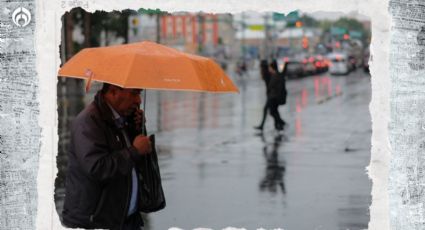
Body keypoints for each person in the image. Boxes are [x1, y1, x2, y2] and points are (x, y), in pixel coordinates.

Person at [62, 83, 152, 230]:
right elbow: (98, 168)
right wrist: (134, 150)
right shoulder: (87, 122)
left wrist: (135, 129)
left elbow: (130, 162)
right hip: (95, 223)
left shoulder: (121, 118)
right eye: (134, 93)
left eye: (139, 94)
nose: (139, 101)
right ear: (113, 92)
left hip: (125, 220)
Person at [267, 60, 287, 131]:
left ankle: (281, 123)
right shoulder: (275, 75)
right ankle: (278, 125)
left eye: (269, 67)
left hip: (274, 97)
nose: (268, 69)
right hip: (274, 97)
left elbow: (272, 86)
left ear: (272, 68)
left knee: (273, 112)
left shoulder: (276, 76)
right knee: (275, 112)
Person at [254, 60, 271, 131]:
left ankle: (262, 126)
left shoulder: (266, 73)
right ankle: (281, 124)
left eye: (260, 66)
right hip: (270, 94)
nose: (260, 68)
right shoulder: (267, 73)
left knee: (267, 110)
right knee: (273, 112)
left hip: (271, 95)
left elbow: (269, 84)